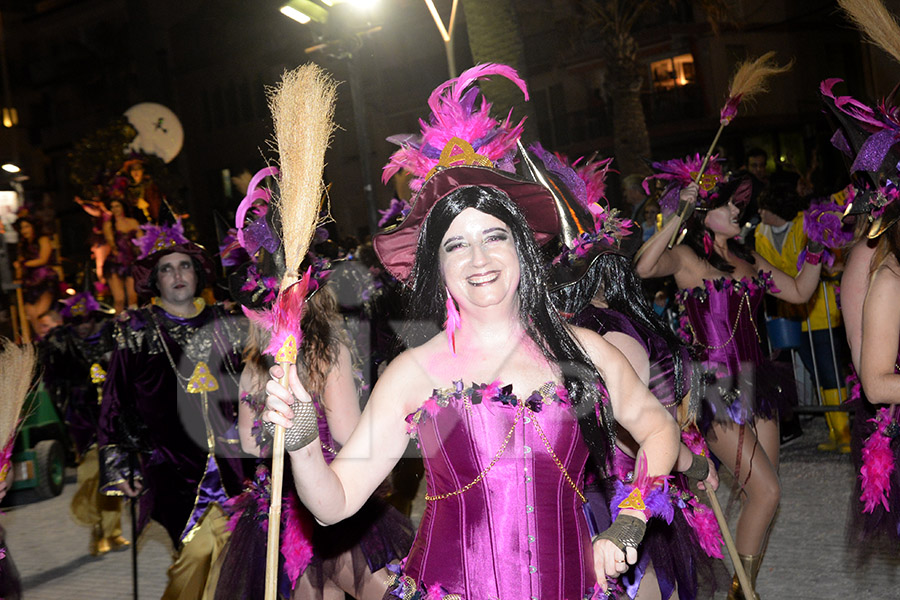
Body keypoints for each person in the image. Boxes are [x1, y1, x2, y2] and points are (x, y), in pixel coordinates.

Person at [263, 64, 680, 599]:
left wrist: (630, 520)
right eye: (456, 245)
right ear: (436, 266)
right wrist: (300, 440)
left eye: (494, 237)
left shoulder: (585, 349)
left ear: (523, 249)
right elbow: (334, 502)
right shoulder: (413, 372)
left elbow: (658, 429)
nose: (478, 259)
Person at [634, 175, 824, 599]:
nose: (740, 211)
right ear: (705, 214)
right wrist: (678, 214)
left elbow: (798, 290)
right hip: (715, 389)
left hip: (759, 383)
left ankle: (741, 584)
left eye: (740, 205)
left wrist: (817, 246)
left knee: (762, 493)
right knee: (767, 490)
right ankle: (741, 594)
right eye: (730, 205)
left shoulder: (748, 256)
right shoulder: (684, 258)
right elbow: (644, 266)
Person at [215, 283, 413, 599]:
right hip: (327, 495)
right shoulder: (329, 354)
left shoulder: (253, 364)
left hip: (277, 508)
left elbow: (249, 444)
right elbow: (346, 432)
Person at [97, 222, 247, 599]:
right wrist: (117, 465)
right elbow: (115, 400)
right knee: (195, 552)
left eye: (185, 266)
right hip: (174, 467)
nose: (178, 275)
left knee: (237, 554)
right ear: (155, 280)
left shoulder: (223, 322)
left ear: (197, 275)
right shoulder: (136, 330)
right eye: (167, 268)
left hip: (233, 463)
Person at [754, 176, 850, 452]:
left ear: (776, 207)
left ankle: (843, 431)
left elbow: (833, 257)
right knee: (814, 369)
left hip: (820, 310)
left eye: (764, 208)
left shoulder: (804, 225)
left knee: (830, 371)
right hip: (790, 314)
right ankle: (834, 431)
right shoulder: (760, 234)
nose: (759, 213)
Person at [40, 290, 127, 556]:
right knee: (91, 474)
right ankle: (96, 532)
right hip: (82, 418)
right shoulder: (61, 342)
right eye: (75, 322)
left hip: (112, 416)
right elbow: (50, 374)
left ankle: (113, 532)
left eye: (86, 320)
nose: (81, 327)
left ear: (95, 317)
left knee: (113, 473)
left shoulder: (112, 337)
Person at [13, 216, 60, 336]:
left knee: (41, 313)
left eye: (26, 226)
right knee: (31, 313)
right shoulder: (22, 245)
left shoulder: (43, 239)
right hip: (29, 281)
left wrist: (24, 263)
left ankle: (49, 340)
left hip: (44, 278)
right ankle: (41, 341)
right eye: (21, 227)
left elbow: (43, 259)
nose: (24, 230)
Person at [103, 198, 143, 313]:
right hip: (115, 263)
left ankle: (134, 324)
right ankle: (118, 328)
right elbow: (111, 242)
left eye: (117, 206)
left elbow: (142, 241)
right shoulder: (109, 225)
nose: (115, 209)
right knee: (120, 299)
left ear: (122, 207)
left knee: (133, 298)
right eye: (112, 207)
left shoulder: (133, 222)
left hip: (131, 262)